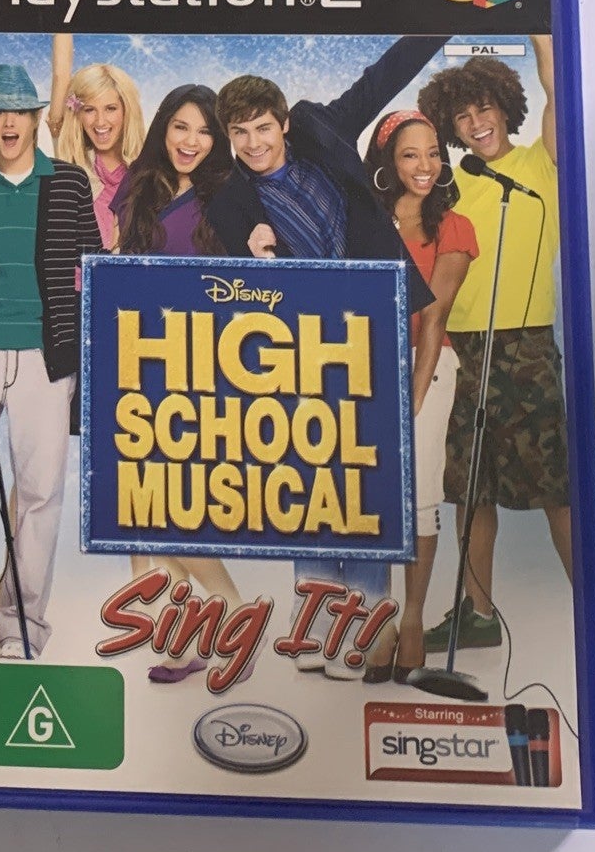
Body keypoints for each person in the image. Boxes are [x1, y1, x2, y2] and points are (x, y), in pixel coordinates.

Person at [210, 36, 446, 681]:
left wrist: (443, 19)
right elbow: (240, 292)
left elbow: (384, 74)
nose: (254, 143)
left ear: (283, 122)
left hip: (371, 325)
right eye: (240, 133)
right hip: (298, 350)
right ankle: (314, 623)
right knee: (306, 480)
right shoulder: (231, 200)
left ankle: (362, 627)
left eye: (263, 128)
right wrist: (254, 254)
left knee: (364, 479)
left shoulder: (321, 126)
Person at [0, 63, 102, 668]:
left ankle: (21, 629)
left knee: (40, 495)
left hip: (45, 356)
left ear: (36, 119)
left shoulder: (68, 183)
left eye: (19, 111)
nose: (8, 122)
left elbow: (92, 264)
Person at [417, 36, 569, 654]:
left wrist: (540, 32)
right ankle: (477, 613)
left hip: (527, 347)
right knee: (470, 489)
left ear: (506, 107)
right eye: (462, 115)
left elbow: (558, 89)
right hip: (463, 351)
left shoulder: (541, 165)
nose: (476, 122)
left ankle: (594, 608)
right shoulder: (453, 187)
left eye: (484, 108)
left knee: (555, 486)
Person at [111, 84, 241, 683]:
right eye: (181, 127)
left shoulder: (229, 196)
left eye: (204, 131)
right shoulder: (138, 187)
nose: (191, 141)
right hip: (138, 359)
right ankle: (183, 639)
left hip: (200, 362)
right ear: (164, 127)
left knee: (173, 508)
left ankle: (233, 616)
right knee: (142, 505)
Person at [363, 110, 478, 681]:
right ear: (388, 163)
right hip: (365, 365)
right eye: (411, 155)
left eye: (433, 153)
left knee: (419, 494)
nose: (425, 165)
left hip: (427, 364)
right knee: (375, 496)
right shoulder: (366, 222)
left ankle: (412, 619)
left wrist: (411, 401)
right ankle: (382, 620)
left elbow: (434, 317)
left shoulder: (454, 227)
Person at [47, 34, 146, 251]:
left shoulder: (146, 171)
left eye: (110, 109)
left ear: (126, 111)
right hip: (76, 274)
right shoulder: (72, 162)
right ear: (78, 115)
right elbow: (60, 75)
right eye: (89, 110)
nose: (100, 121)